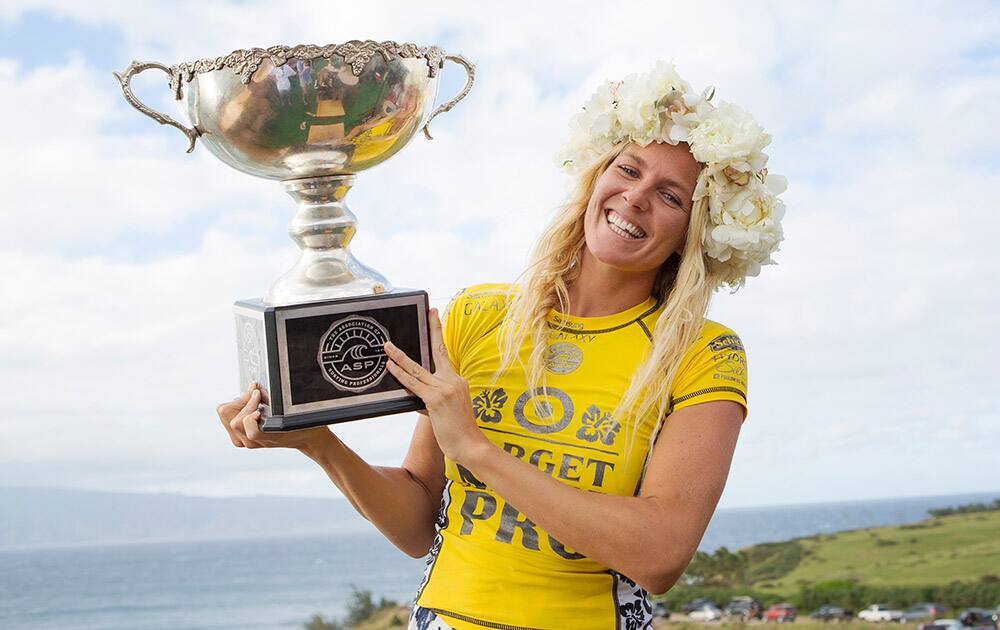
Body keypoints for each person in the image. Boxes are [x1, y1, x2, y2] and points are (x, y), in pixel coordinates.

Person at [216, 61, 787, 630]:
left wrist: (477, 449)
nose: (635, 198)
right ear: (596, 177)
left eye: (670, 196)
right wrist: (319, 444)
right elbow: (418, 525)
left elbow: (660, 554)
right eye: (628, 170)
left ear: (696, 231)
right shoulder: (479, 314)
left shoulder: (703, 353)